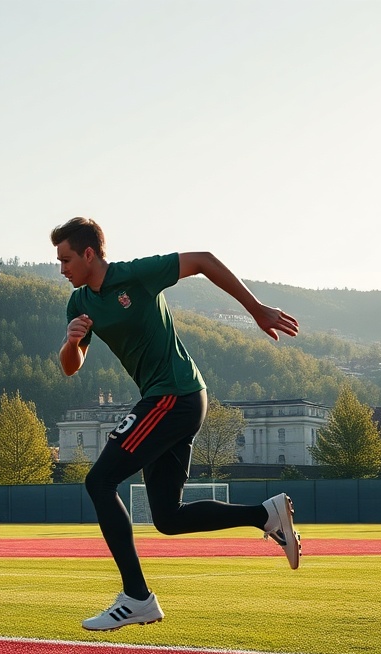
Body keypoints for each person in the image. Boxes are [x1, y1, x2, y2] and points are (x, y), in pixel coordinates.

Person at [53, 217, 302, 631]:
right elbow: (70, 367)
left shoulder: (135, 275)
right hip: (171, 400)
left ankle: (137, 596)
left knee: (99, 481)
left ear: (89, 254)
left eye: (66, 260)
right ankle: (265, 514)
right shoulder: (79, 302)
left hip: (175, 394)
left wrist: (257, 310)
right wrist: (72, 342)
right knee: (168, 518)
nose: (61, 269)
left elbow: (203, 260)